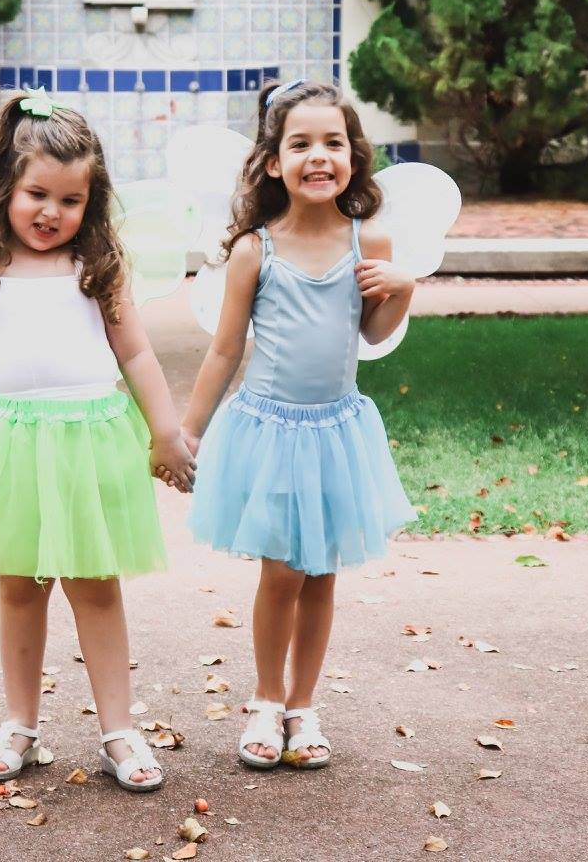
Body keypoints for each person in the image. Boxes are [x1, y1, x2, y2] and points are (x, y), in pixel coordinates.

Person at [0, 89, 195, 793]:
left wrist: (165, 430)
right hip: (7, 443)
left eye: (70, 201)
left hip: (87, 444)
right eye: (36, 194)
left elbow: (136, 356)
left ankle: (118, 729)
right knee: (20, 589)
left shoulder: (98, 269)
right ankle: (19, 723)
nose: (51, 212)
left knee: (96, 589)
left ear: (91, 201)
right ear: (5, 187)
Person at [181, 79, 417, 771]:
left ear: (355, 157)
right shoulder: (257, 249)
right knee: (281, 571)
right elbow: (225, 348)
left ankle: (303, 705)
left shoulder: (366, 237)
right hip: (270, 431)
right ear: (274, 162)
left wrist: (403, 291)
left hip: (337, 433)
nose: (320, 156)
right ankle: (264, 698)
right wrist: (187, 432)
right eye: (301, 143)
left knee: (322, 572)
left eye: (334, 143)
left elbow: (372, 333)